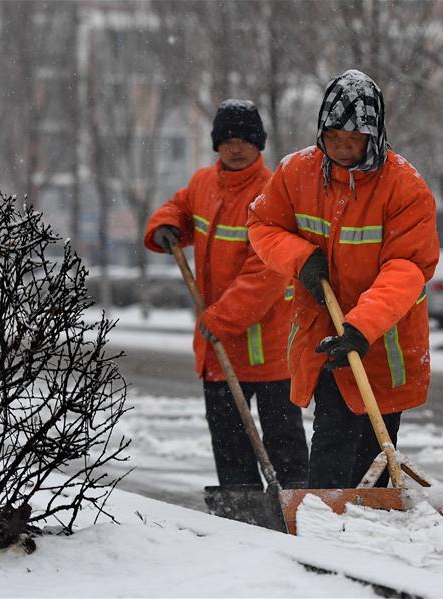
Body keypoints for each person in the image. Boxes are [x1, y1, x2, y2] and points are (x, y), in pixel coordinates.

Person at [247, 70, 439, 489]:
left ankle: (365, 530)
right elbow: (261, 226)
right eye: (333, 137)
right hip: (327, 336)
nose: (342, 148)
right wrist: (302, 259)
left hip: (383, 346)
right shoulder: (297, 173)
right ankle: (323, 527)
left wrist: (362, 325)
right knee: (331, 444)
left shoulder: (404, 188)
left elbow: (407, 268)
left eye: (354, 140)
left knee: (371, 453)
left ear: (375, 135)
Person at [144, 99, 308, 488]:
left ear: (260, 145)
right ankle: (241, 508)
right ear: (217, 143)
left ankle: (296, 506)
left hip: (269, 353)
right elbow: (177, 209)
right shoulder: (204, 184)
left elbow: (265, 274)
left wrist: (219, 319)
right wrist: (165, 226)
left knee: (284, 445)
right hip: (218, 352)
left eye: (246, 140)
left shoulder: (273, 192)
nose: (236, 148)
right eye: (229, 140)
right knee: (230, 447)